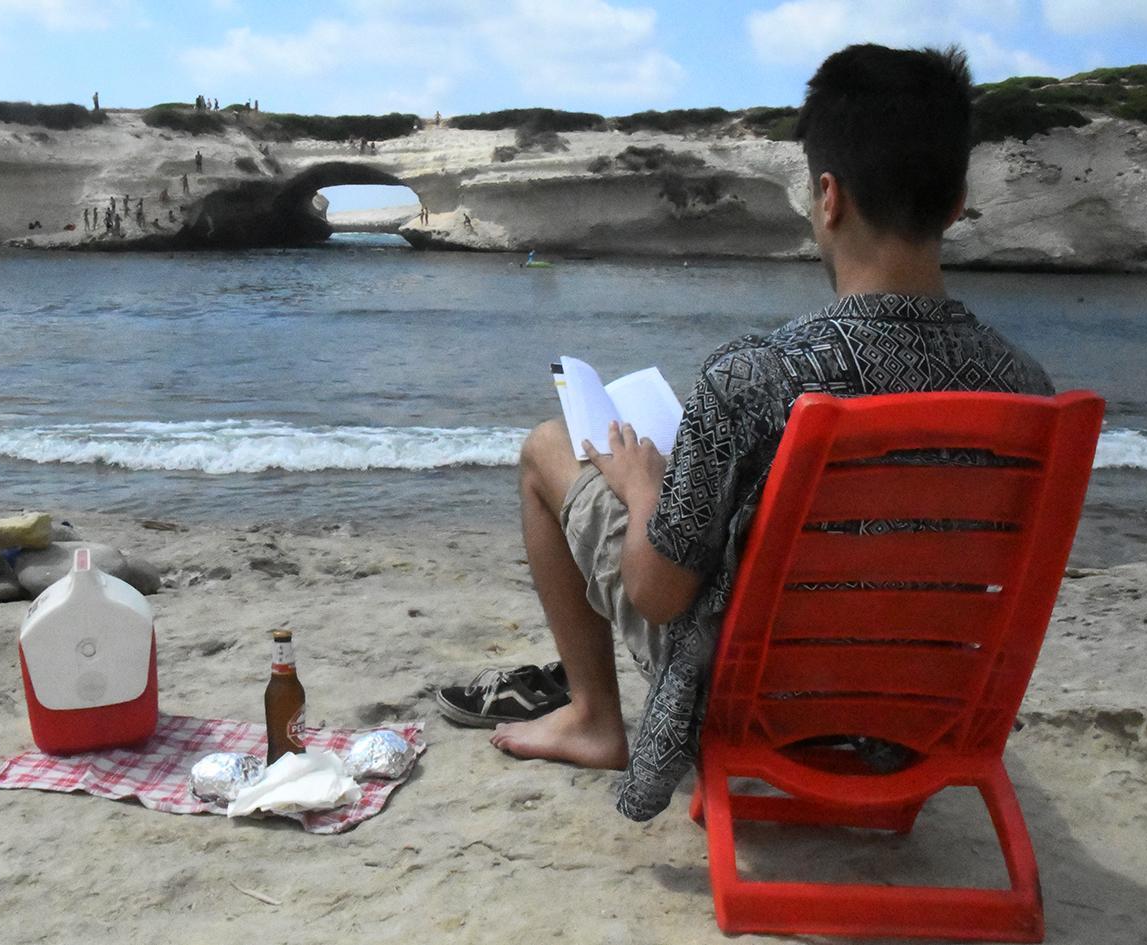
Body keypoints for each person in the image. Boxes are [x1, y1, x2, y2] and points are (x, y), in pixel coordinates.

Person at [436, 43, 1055, 822]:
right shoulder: (1028, 390)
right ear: (957, 201)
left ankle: (594, 717)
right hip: (917, 706)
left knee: (545, 450)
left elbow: (657, 597)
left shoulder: (758, 377)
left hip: (756, 697)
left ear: (827, 198)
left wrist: (643, 486)